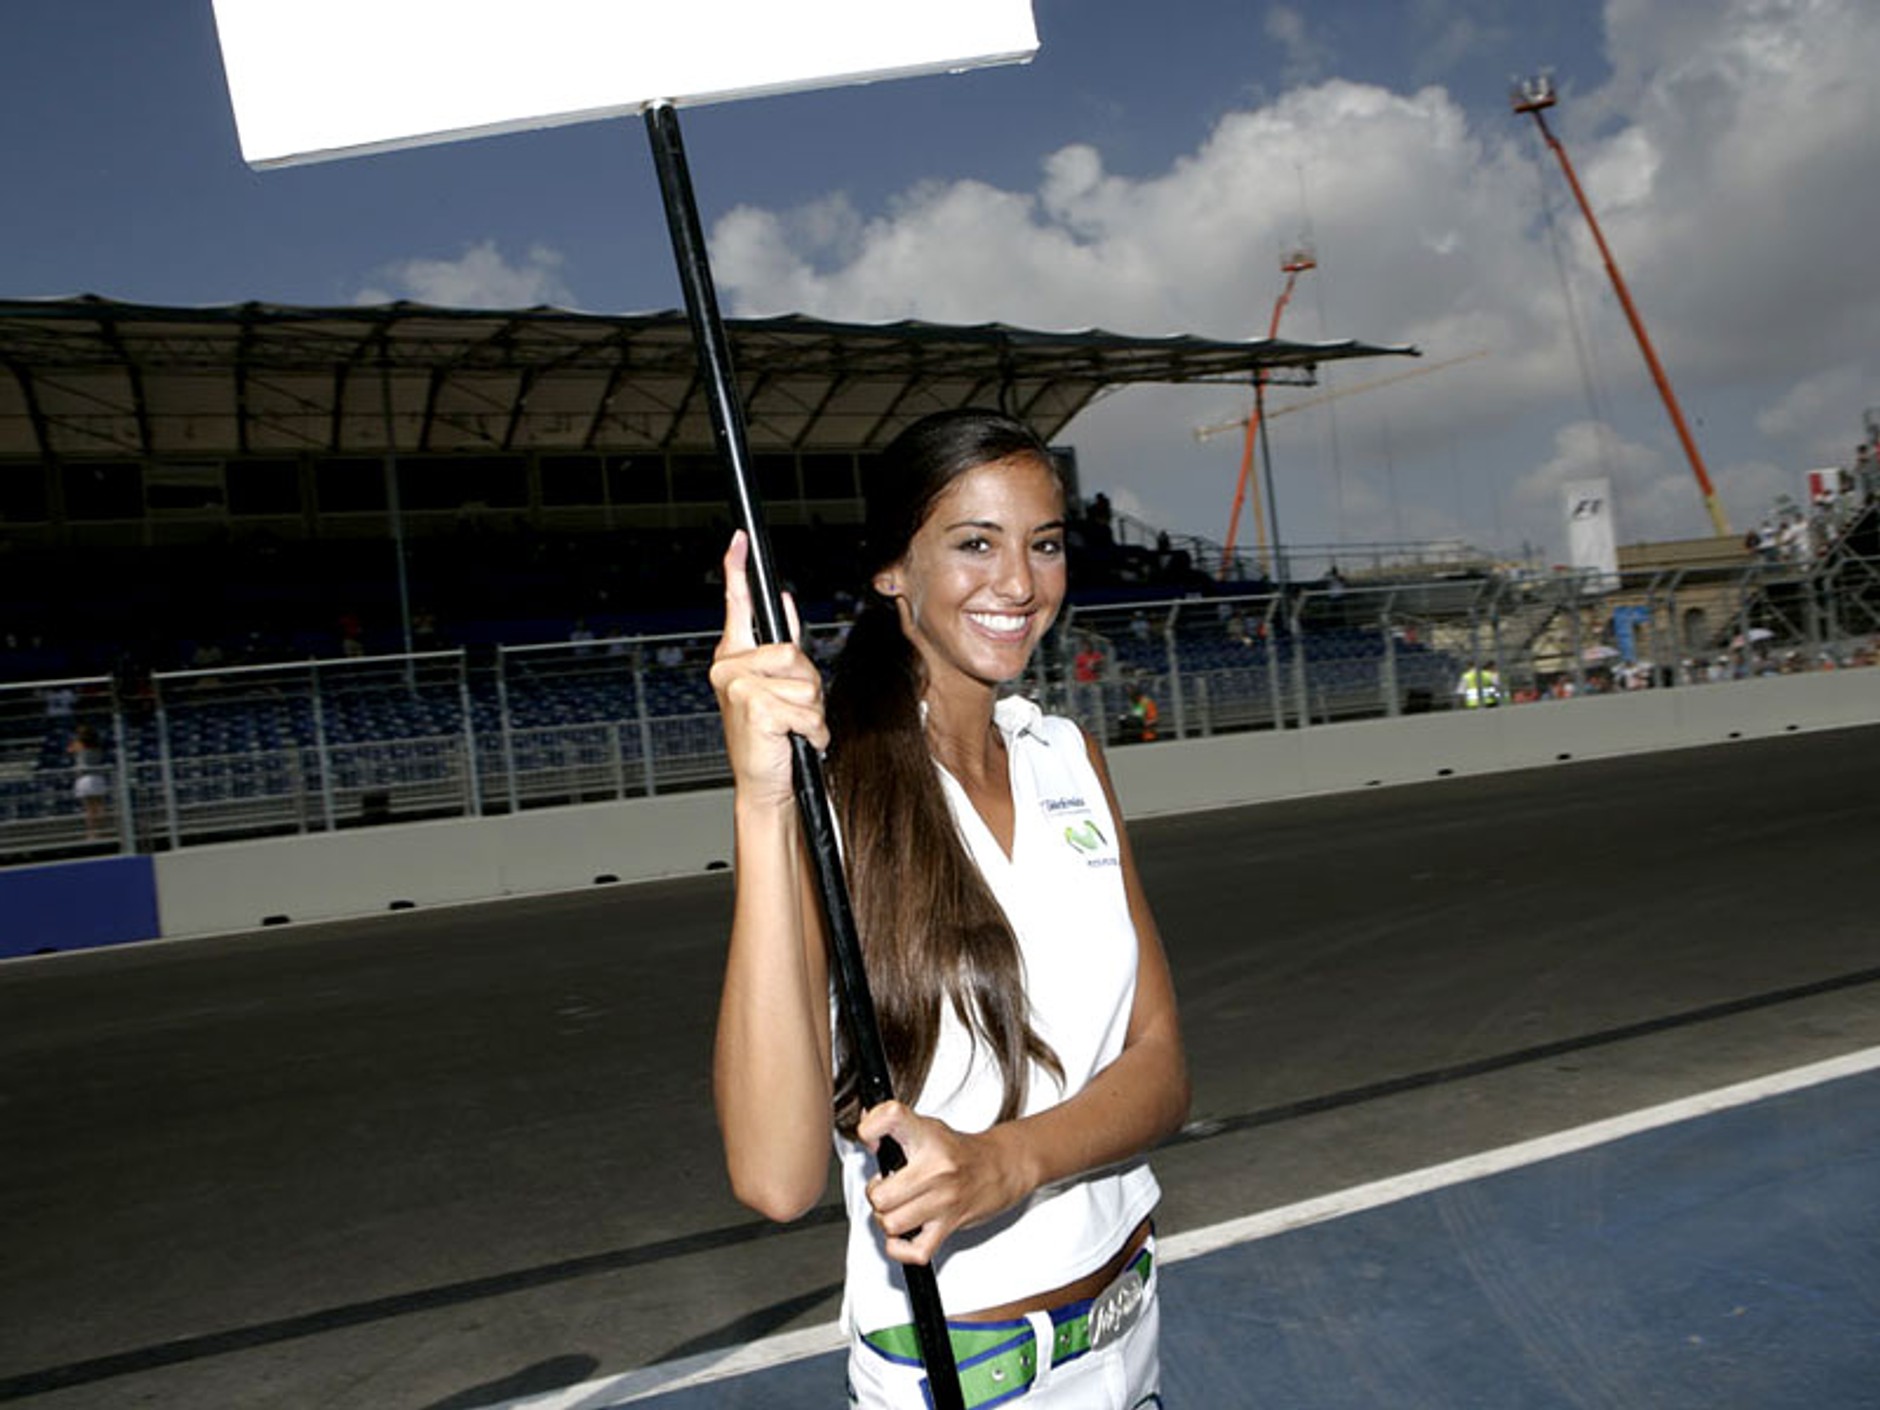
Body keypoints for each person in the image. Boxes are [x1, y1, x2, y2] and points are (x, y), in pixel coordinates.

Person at [710, 409, 1188, 1409]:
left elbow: (1160, 1069)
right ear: (893, 570)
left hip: (1129, 1326)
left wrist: (1005, 1163)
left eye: (1043, 544)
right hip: (960, 1376)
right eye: (975, 542)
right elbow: (774, 1177)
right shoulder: (828, 790)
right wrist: (763, 804)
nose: (1017, 582)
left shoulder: (1071, 759)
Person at [68, 722, 109, 839]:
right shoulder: (98, 745)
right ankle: (100, 831)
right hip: (97, 777)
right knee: (99, 806)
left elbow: (69, 750)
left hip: (85, 778)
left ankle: (91, 833)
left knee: (89, 809)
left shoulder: (79, 744)